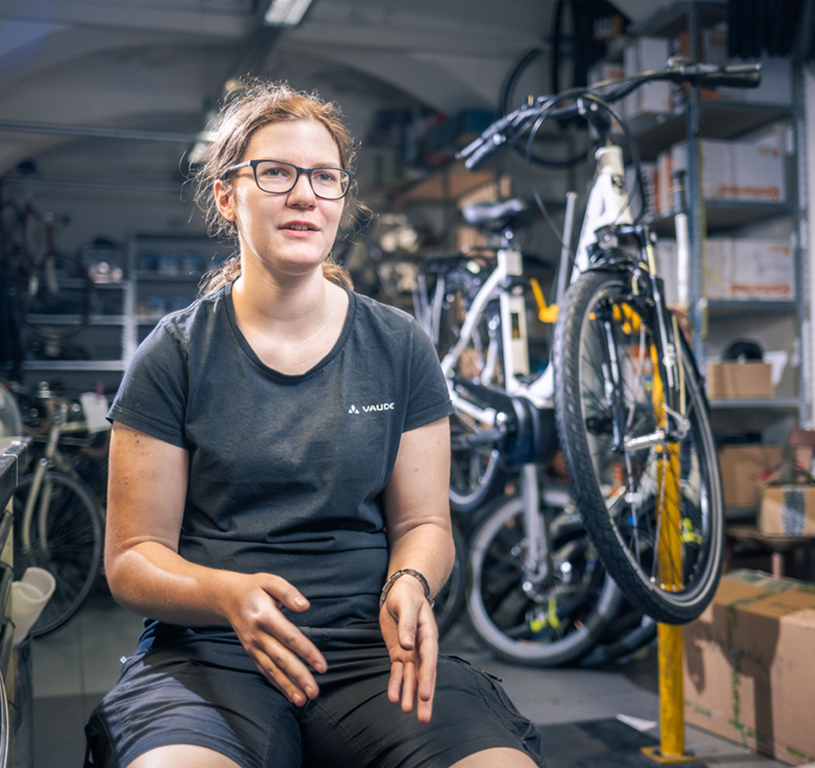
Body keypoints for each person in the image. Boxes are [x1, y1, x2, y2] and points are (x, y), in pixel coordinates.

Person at [84, 79, 545, 768]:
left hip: (369, 652)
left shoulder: (399, 346)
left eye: (325, 177)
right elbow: (130, 559)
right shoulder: (176, 354)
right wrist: (225, 594)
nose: (305, 194)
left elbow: (423, 526)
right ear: (227, 195)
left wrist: (410, 583)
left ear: (342, 199)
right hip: (210, 652)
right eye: (276, 172)